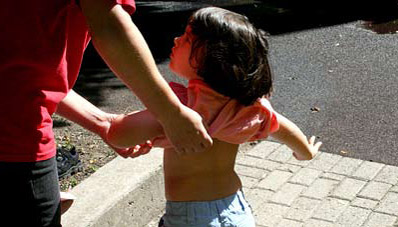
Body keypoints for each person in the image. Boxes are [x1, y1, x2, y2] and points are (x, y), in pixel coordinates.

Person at [0, 0, 213, 226]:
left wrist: (103, 123)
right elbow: (108, 24)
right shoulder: (195, 102)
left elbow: (22, 72)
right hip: (14, 136)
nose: (176, 39)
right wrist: (171, 114)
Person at [106, 7, 322, 226]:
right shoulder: (246, 106)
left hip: (191, 218)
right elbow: (283, 128)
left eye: (187, 38)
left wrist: (150, 115)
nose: (176, 39)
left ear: (211, 58)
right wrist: (305, 152)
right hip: (236, 210)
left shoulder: (181, 108)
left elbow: (118, 135)